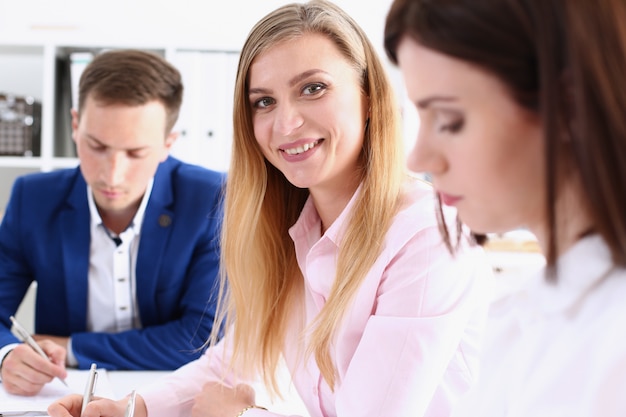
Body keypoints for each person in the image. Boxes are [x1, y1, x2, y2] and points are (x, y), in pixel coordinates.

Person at [48, 1, 493, 416]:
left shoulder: (426, 234)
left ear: (370, 98)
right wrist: (130, 408)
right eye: (264, 101)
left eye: (313, 88)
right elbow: (231, 365)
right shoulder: (295, 229)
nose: (285, 124)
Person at [384, 0, 626, 415]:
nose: (419, 159)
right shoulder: (524, 319)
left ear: (567, 107)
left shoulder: (609, 341)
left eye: (448, 120)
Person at [0, 49, 225, 396]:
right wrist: (7, 355)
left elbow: (200, 337)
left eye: (135, 153)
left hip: (170, 397)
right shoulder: (33, 198)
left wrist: (72, 347)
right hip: (65, 398)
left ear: (168, 144)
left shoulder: (211, 198)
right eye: (96, 146)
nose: (112, 175)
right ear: (75, 126)